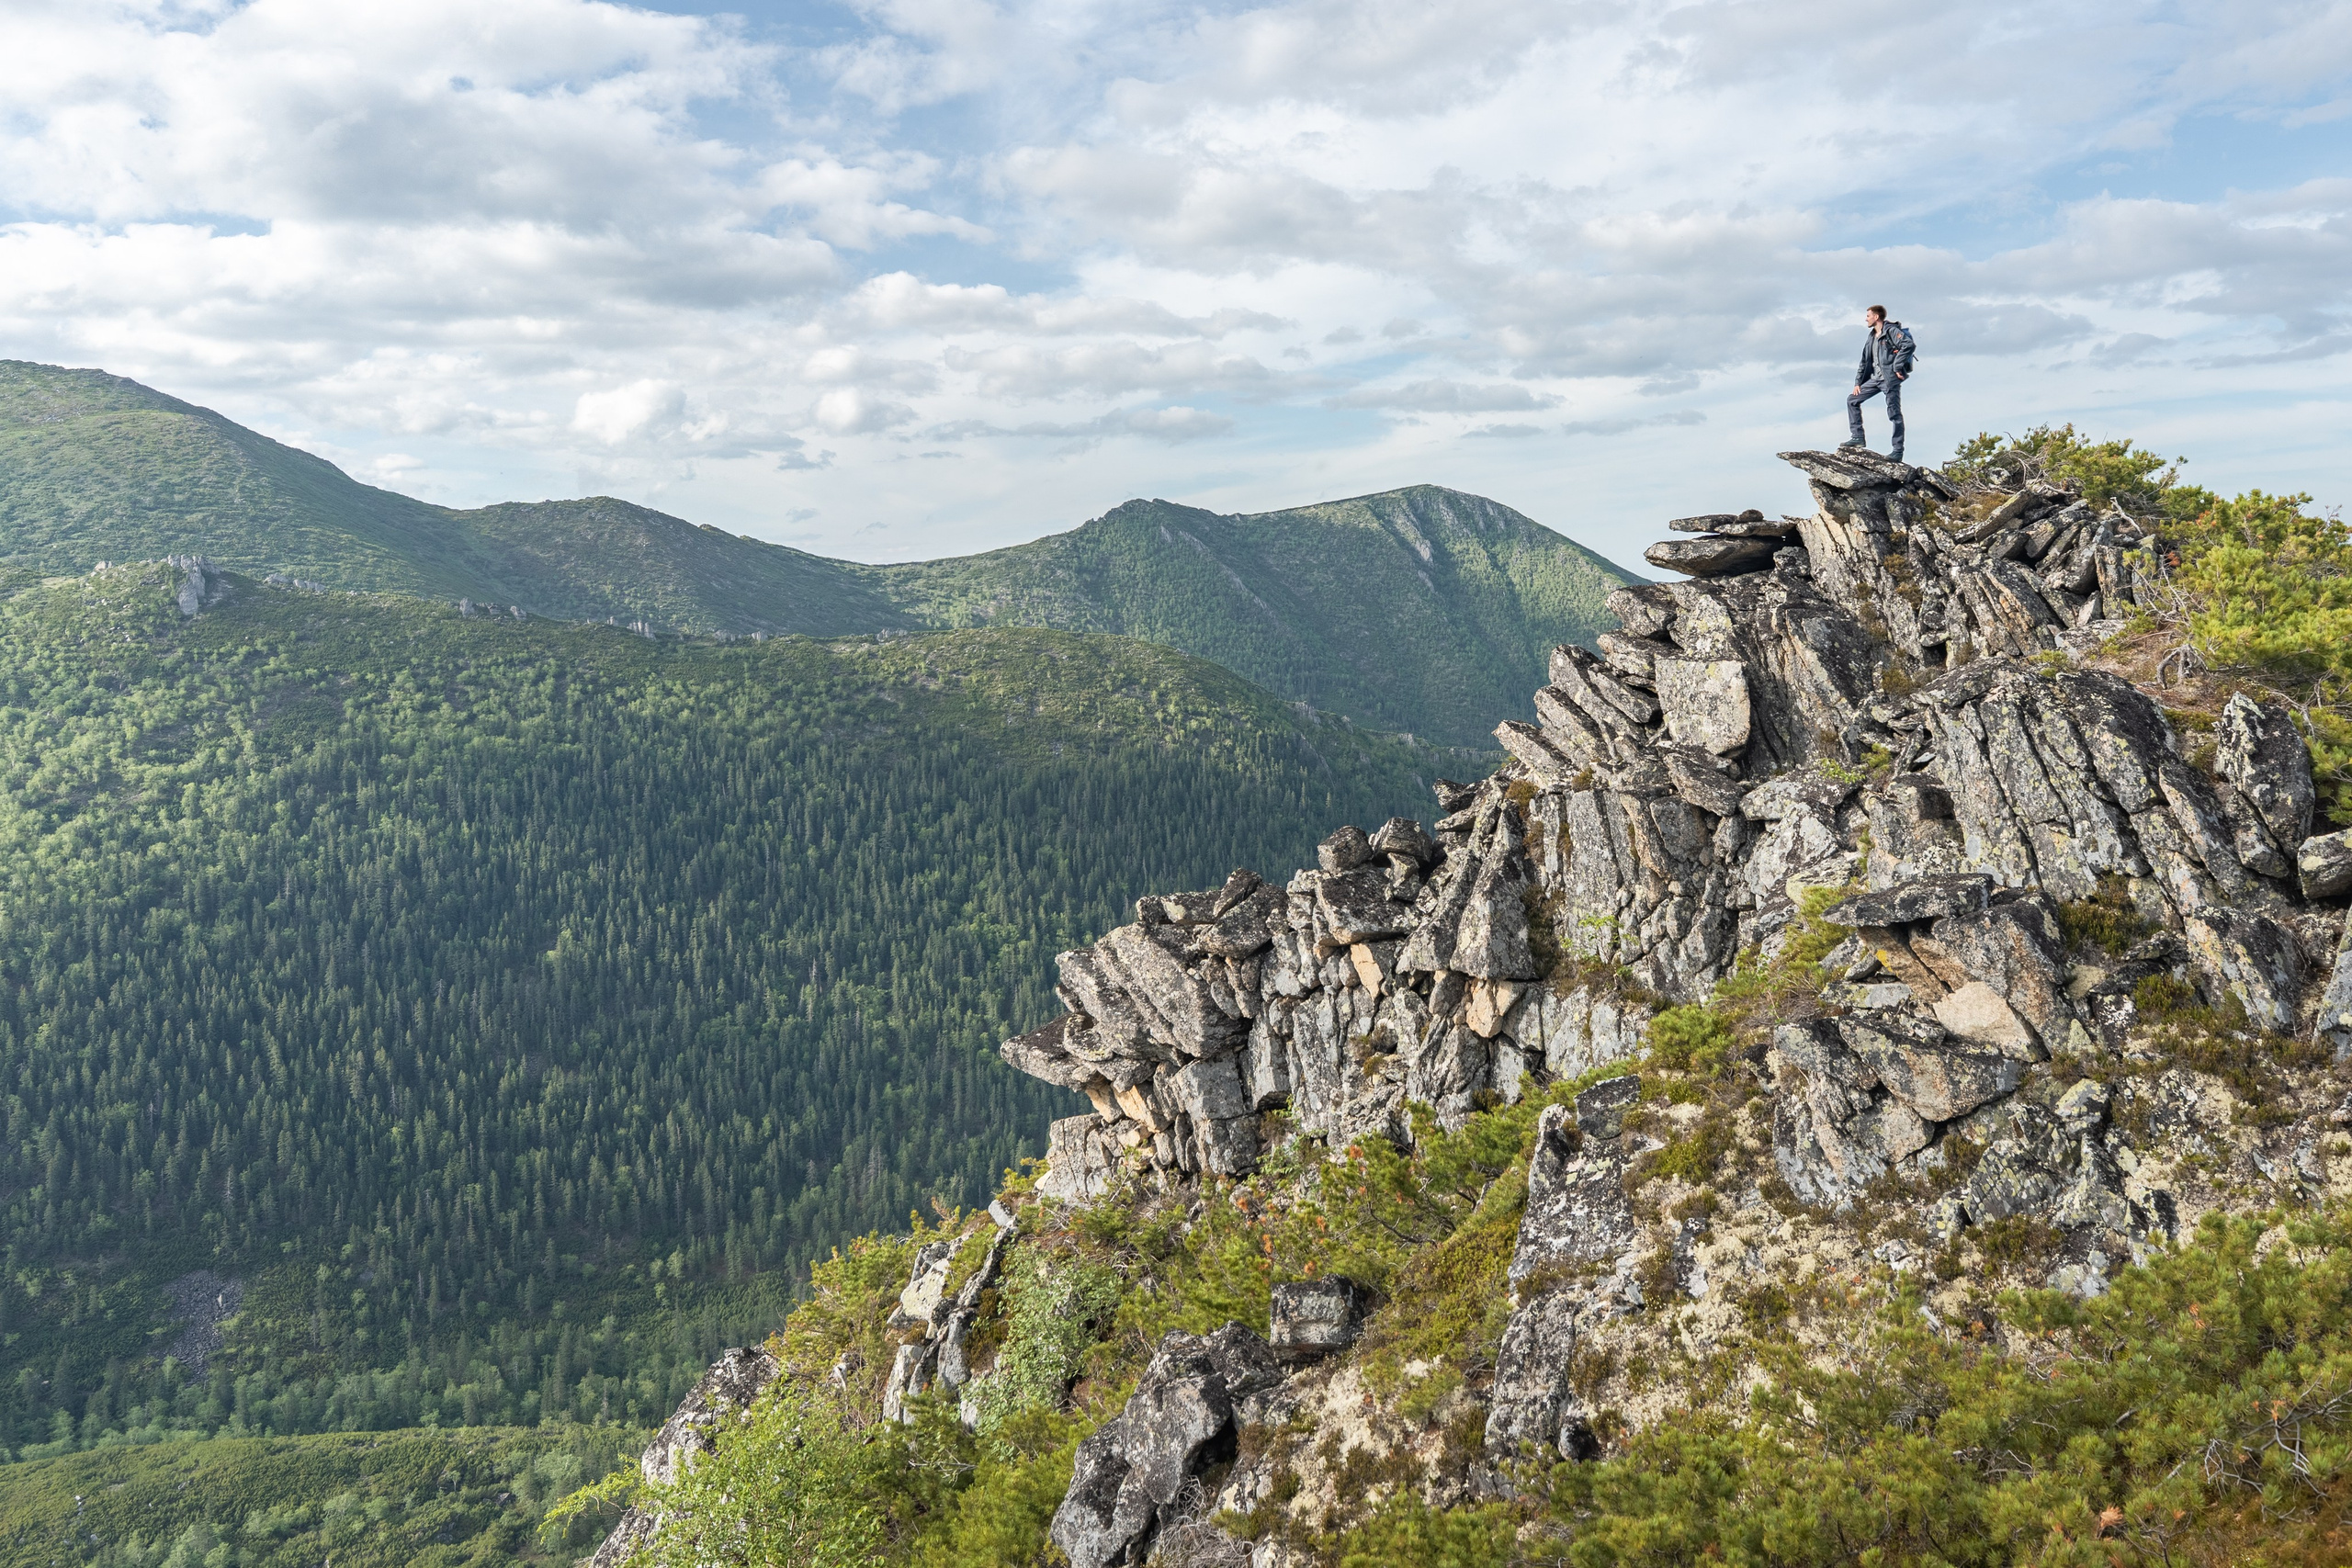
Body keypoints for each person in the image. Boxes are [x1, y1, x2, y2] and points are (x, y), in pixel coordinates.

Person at [1842, 305, 1912, 461]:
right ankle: (1857, 437)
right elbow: (1864, 361)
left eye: (1868, 316)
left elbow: (1908, 345)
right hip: (1875, 379)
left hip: (1890, 379)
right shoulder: (1871, 336)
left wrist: (1897, 366)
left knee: (1894, 414)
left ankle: (1897, 451)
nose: (1866, 319)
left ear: (1876, 317)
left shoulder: (1891, 331)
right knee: (1852, 400)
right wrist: (1858, 382)